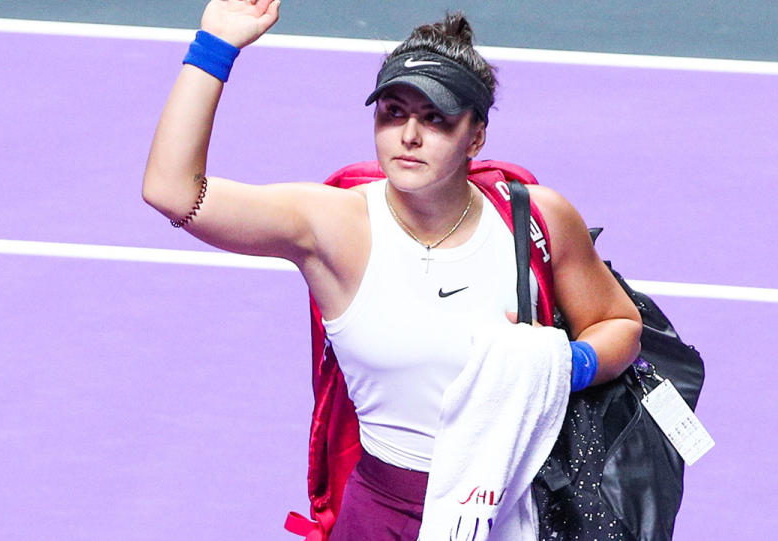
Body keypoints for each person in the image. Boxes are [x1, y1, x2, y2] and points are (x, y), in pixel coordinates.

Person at [142, 1, 643, 539]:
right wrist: (215, 44)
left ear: (475, 137)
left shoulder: (537, 218)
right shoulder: (333, 226)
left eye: (436, 119)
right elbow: (172, 192)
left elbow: (621, 325)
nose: (409, 135)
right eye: (393, 112)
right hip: (383, 515)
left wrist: (560, 365)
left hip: (513, 509)